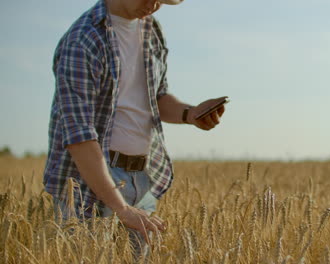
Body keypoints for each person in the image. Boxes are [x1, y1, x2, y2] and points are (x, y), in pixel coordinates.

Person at [43, 0, 226, 258]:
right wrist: (121, 208)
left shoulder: (151, 28)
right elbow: (79, 137)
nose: (154, 6)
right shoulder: (82, 41)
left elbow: (157, 97)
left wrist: (190, 114)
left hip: (141, 177)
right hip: (88, 186)